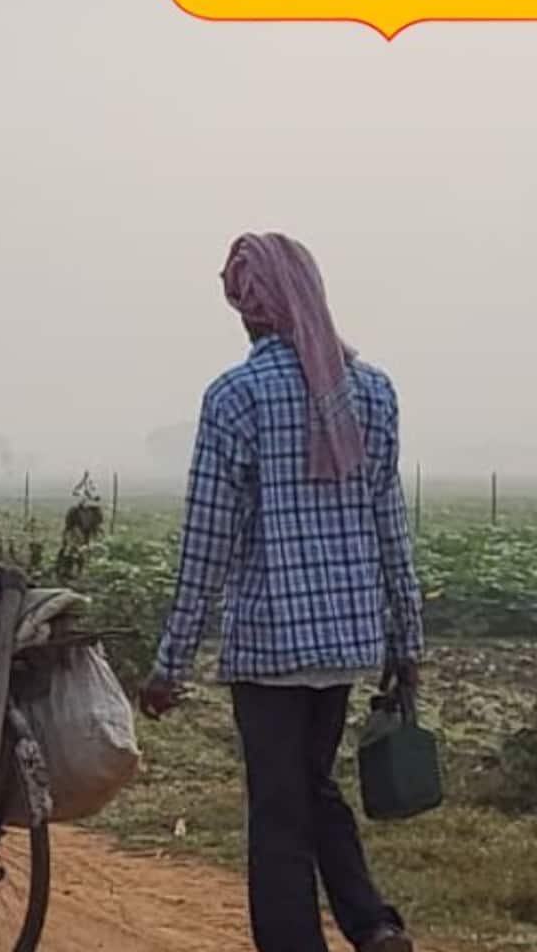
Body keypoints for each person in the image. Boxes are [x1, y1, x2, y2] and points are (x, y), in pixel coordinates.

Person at [139, 234, 423, 952]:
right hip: (346, 641)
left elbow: (208, 541)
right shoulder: (372, 393)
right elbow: (391, 522)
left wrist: (170, 663)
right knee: (310, 784)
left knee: (277, 812)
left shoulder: (236, 399)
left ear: (247, 310)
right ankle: (372, 924)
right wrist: (407, 641)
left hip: (271, 644)